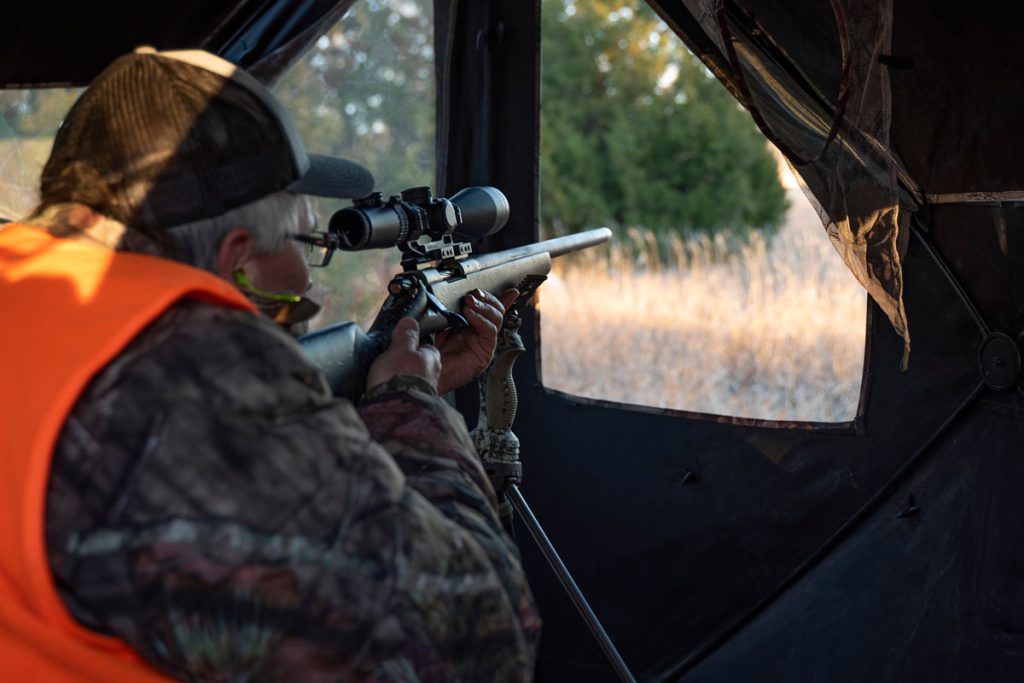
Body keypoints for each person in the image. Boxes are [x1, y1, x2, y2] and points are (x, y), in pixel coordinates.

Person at [0, 47, 540, 681]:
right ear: (237, 256)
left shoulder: (30, 284)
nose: (307, 271)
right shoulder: (189, 368)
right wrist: (410, 405)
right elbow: (479, 642)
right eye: (309, 242)